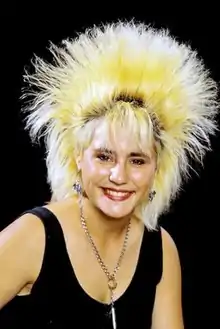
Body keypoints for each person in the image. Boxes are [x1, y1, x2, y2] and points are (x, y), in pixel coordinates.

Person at [0, 20, 218, 329]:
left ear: (157, 167)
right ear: (79, 156)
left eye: (138, 160)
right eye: (104, 156)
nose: (119, 175)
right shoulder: (35, 236)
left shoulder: (160, 249)